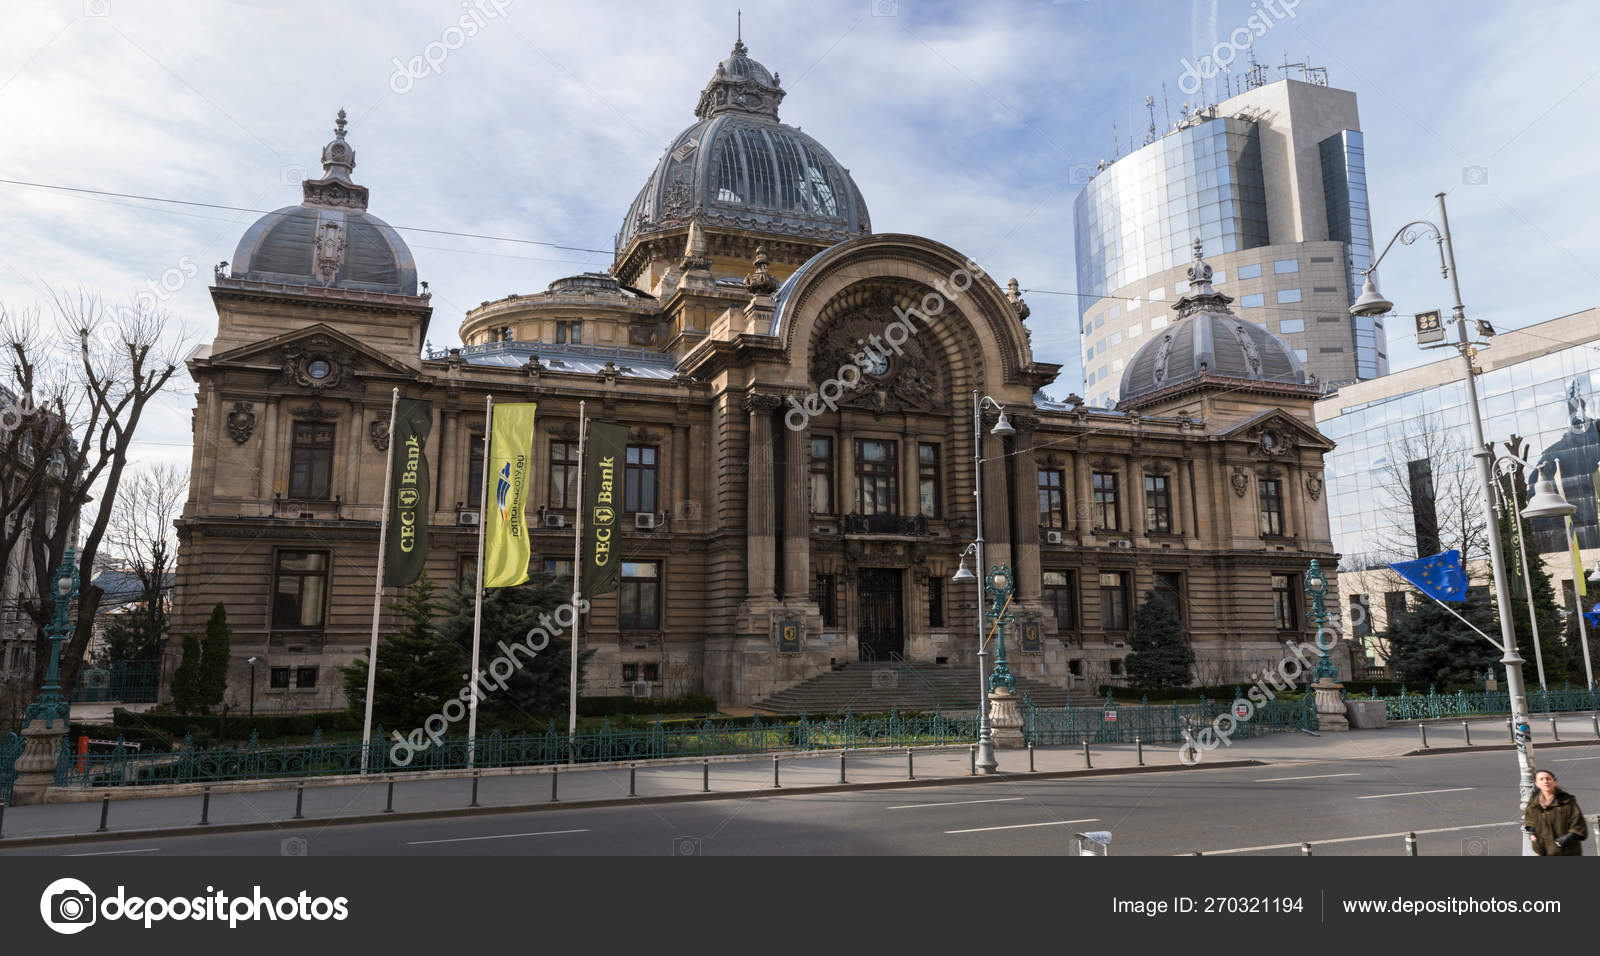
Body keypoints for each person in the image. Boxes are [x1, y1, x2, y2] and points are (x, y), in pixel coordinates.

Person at [1523, 769, 1588, 856]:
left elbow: (1579, 826)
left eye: (1548, 778)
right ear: (1536, 784)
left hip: (1567, 851)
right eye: (1541, 779)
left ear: (1554, 782)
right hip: (1543, 849)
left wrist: (1561, 842)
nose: (1545, 781)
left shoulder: (1566, 801)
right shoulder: (1534, 802)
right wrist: (1533, 834)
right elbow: (1529, 818)